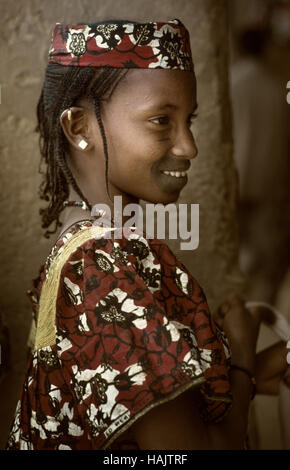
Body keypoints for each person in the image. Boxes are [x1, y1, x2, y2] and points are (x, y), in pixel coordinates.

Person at [5, 19, 288, 451]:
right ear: (79, 128)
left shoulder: (84, 246)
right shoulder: (103, 267)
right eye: (161, 121)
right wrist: (244, 361)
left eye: (188, 120)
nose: (189, 146)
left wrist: (244, 369)